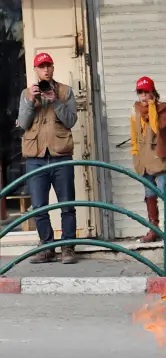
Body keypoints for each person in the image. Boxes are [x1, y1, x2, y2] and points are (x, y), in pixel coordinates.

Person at [17, 52, 79, 264]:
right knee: (39, 206)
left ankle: (68, 247)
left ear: (53, 68)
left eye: (48, 66)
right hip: (36, 157)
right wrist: (29, 101)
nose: (45, 70)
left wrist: (56, 102)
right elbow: (23, 123)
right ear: (35, 70)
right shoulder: (27, 93)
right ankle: (47, 247)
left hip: (60, 155)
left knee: (67, 204)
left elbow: (71, 121)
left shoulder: (65, 91)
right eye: (41, 67)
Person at [130, 76, 166, 243]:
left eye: (146, 91)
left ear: (153, 92)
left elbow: (157, 128)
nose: (143, 95)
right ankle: (154, 229)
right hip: (143, 159)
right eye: (140, 92)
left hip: (159, 158)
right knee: (149, 194)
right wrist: (135, 153)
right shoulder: (135, 110)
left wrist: (151, 105)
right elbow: (134, 134)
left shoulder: (162, 108)